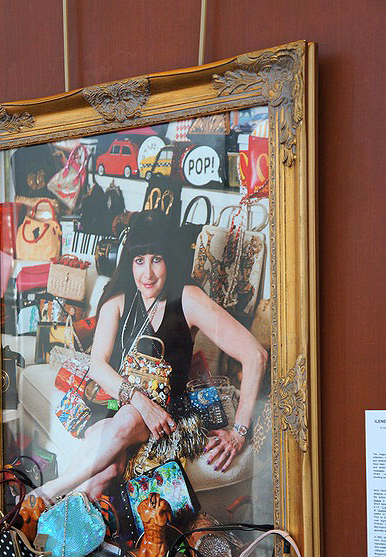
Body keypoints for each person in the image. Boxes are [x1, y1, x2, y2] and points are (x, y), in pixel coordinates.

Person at [34, 209, 267, 504]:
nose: (147, 274)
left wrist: (240, 432)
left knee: (126, 421)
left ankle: (45, 494)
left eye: (156, 259)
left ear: (169, 258)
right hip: (115, 405)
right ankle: (55, 521)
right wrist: (141, 403)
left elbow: (255, 355)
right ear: (129, 262)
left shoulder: (188, 299)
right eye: (139, 261)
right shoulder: (118, 299)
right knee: (107, 471)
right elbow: (97, 366)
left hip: (168, 417)